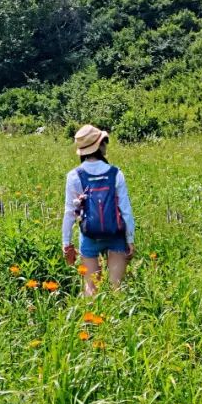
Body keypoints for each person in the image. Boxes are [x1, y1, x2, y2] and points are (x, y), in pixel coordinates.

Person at [62, 124, 135, 296]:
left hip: (89, 235)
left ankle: (91, 321)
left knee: (91, 287)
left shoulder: (74, 176)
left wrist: (66, 244)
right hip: (115, 235)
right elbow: (125, 210)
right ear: (100, 145)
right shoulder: (115, 173)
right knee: (117, 288)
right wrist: (130, 238)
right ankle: (119, 321)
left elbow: (69, 212)